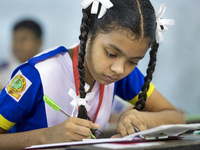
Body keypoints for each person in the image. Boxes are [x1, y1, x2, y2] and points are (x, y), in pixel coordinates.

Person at [0, 0, 185, 149]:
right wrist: (47, 136)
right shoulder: (36, 75)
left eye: (133, 61)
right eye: (111, 54)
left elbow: (177, 118)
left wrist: (142, 119)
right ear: (88, 33)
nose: (120, 68)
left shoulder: (119, 74)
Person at [0, 19, 43, 90]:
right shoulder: (2, 70)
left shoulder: (48, 69)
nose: (18, 45)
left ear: (39, 42)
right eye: (15, 39)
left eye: (23, 39)